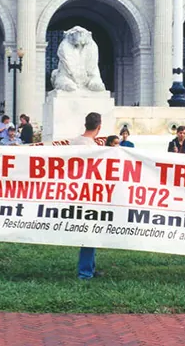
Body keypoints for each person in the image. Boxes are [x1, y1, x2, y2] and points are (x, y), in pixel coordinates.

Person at [69, 112, 104, 280]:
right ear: (99, 127)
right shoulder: (94, 149)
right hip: (89, 194)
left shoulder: (73, 142)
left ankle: (89, 267)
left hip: (74, 192)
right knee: (90, 232)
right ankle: (85, 272)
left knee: (88, 232)